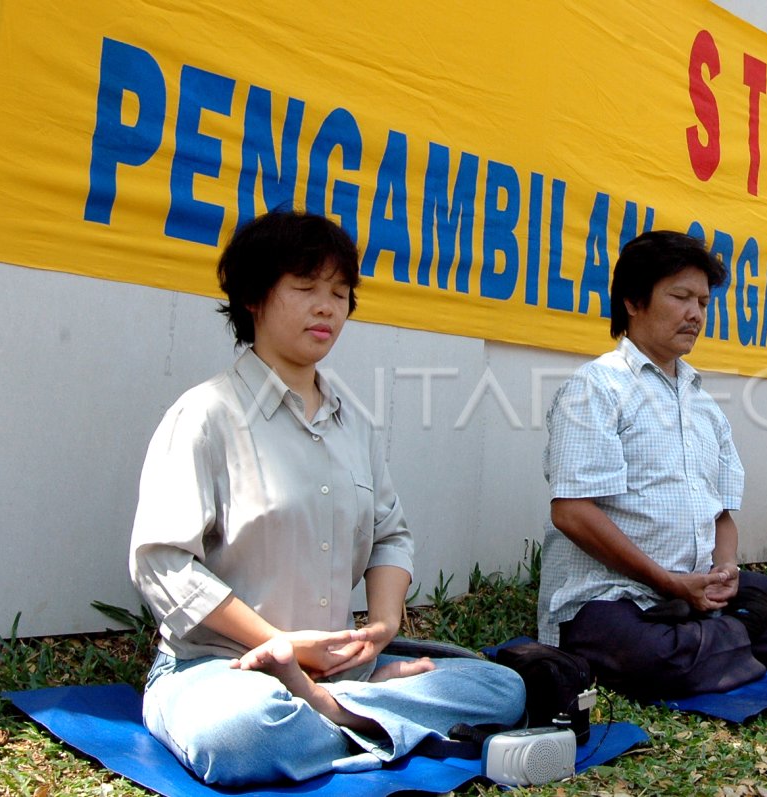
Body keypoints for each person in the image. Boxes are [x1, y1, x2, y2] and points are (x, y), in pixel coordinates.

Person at [129, 210, 525, 786]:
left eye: (340, 293)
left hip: (342, 668)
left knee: (502, 686)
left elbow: (391, 534)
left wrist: (384, 626)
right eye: (306, 288)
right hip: (221, 667)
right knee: (238, 735)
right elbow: (162, 563)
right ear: (253, 298)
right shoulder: (205, 416)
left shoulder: (354, 425)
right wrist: (282, 646)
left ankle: (330, 707)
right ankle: (355, 714)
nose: (328, 307)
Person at [537, 230, 767, 700]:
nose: (695, 314)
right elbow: (572, 513)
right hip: (613, 594)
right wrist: (668, 583)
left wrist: (724, 570)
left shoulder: (704, 405)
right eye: (680, 297)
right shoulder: (596, 388)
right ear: (632, 301)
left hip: (696, 588)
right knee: (659, 655)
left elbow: (722, 512)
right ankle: (729, 631)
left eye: (703, 302)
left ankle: (715, 631)